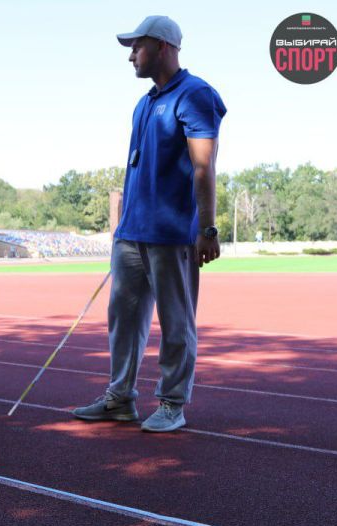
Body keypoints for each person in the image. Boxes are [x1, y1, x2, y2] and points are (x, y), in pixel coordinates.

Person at [72, 16, 226, 433]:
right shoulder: (144, 103)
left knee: (176, 322)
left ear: (161, 46)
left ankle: (173, 403)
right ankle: (120, 399)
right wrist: (121, 227)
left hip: (172, 232)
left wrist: (206, 228)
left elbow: (203, 165)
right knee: (122, 319)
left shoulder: (196, 95)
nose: (130, 56)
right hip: (131, 234)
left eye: (136, 47)